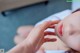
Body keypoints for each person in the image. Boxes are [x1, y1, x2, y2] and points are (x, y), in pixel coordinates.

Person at [7, 8, 80, 53]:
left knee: (16, 39)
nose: (69, 29)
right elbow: (44, 21)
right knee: (20, 30)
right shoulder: (66, 13)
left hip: (36, 48)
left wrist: (30, 47)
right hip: (36, 28)